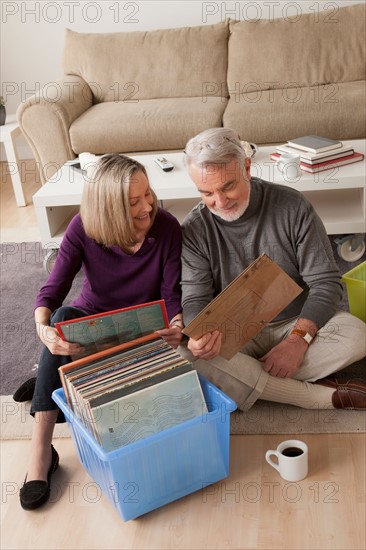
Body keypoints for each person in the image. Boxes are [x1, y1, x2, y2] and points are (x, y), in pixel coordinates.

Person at [18, 153, 184, 511]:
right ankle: (41, 450)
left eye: (148, 195)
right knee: (61, 316)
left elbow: (172, 295)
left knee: (76, 363)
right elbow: (53, 289)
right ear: (108, 208)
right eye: (133, 202)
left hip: (140, 328)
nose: (147, 207)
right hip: (92, 321)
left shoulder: (167, 226)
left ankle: (50, 375)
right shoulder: (83, 227)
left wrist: (176, 326)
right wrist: (42, 328)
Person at [180, 127, 366, 412]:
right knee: (187, 355)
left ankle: (246, 380)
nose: (220, 201)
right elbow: (194, 298)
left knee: (356, 335)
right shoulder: (194, 228)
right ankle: (315, 396)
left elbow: (327, 282)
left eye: (228, 186)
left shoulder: (292, 206)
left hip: (295, 322)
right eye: (206, 192)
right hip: (235, 334)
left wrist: (298, 341)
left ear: (247, 167)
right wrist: (199, 335)